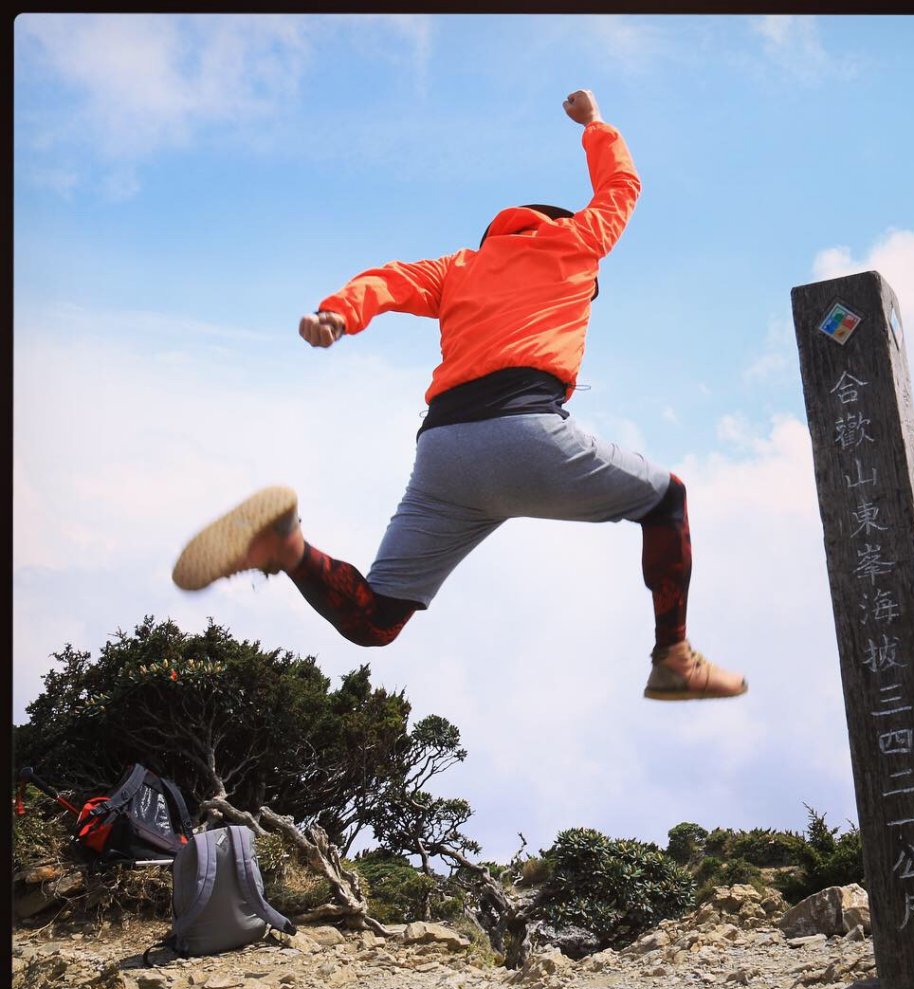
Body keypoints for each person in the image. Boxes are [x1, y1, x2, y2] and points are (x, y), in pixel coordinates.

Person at [172, 89, 747, 701]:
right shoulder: (577, 241)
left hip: (444, 452)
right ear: (556, 221)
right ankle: (674, 658)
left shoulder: (459, 267)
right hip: (525, 431)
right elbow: (621, 185)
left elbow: (388, 280)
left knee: (375, 619)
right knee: (666, 501)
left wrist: (335, 314)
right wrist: (594, 123)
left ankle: (286, 548)